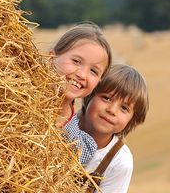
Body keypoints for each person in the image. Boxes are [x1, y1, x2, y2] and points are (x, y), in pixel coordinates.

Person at [79, 64, 149, 193]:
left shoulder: (119, 161)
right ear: (89, 94)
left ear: (131, 120)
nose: (111, 110)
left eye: (124, 108)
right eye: (106, 98)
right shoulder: (62, 122)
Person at [49, 22, 112, 165]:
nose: (82, 74)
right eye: (76, 61)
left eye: (93, 71)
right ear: (51, 57)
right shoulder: (13, 97)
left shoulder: (80, 146)